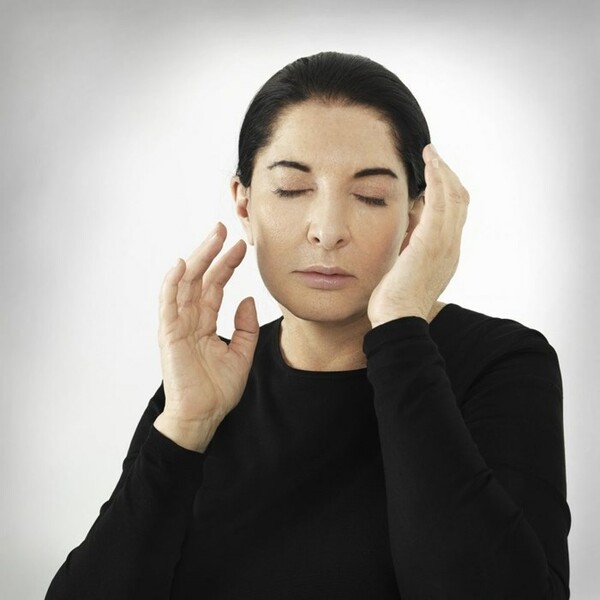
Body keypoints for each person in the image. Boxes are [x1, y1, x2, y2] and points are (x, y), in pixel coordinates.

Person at [45, 51, 570, 599]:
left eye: (369, 196)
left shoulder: (501, 364)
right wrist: (185, 427)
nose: (327, 229)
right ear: (244, 206)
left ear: (415, 219)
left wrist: (399, 326)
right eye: (292, 189)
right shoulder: (208, 383)